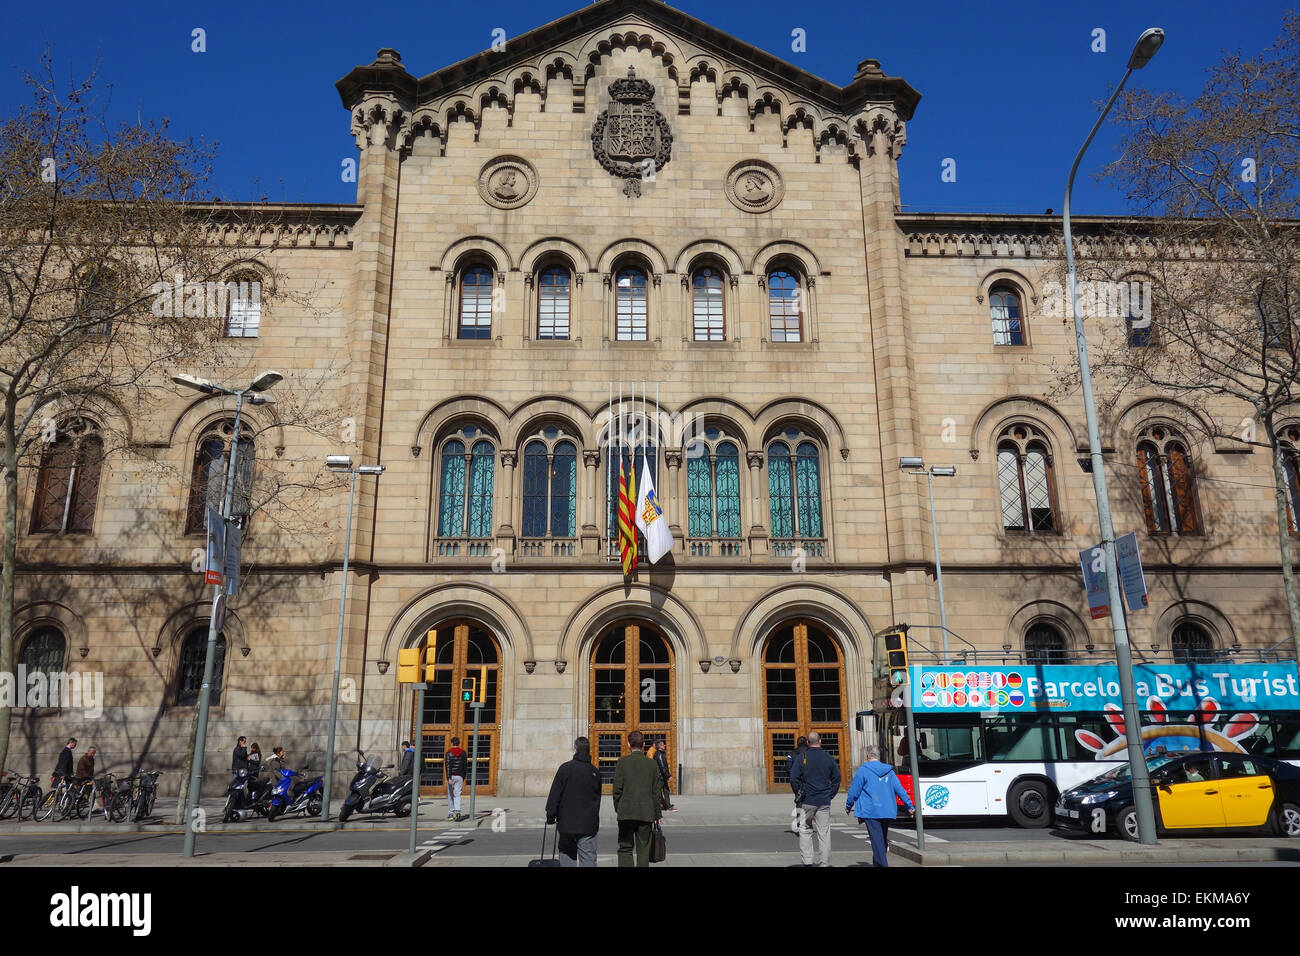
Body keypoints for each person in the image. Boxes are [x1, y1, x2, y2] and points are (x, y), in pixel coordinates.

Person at [845, 745, 915, 867]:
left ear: (868, 756)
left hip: (870, 810)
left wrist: (848, 805)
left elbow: (854, 791)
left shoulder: (863, 770)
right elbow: (900, 790)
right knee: (881, 839)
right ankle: (878, 862)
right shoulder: (889, 771)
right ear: (879, 756)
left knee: (877, 840)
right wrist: (909, 806)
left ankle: (882, 864)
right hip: (887, 810)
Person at [545, 736, 602, 867]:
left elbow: (555, 793)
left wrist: (550, 814)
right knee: (588, 857)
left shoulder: (565, 768)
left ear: (575, 750)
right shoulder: (595, 772)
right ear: (588, 751)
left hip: (566, 823)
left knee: (567, 855)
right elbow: (597, 798)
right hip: (588, 824)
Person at [789, 731, 840, 867]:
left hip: (807, 800)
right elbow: (837, 779)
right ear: (820, 741)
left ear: (807, 743)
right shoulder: (828, 758)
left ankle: (807, 861)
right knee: (824, 832)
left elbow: (793, 778)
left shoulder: (802, 757)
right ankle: (824, 863)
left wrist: (798, 793)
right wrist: (830, 794)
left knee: (805, 830)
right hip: (823, 800)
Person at [612, 730, 662, 867]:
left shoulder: (622, 762)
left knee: (625, 848)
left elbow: (617, 790)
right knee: (643, 850)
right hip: (646, 813)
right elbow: (656, 792)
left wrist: (619, 808)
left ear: (628, 744)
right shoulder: (652, 764)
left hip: (626, 812)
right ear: (644, 745)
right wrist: (657, 814)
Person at [445, 737, 467, 821]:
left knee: (451, 795)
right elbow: (465, 766)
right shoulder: (463, 753)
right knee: (457, 794)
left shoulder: (449, 753)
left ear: (452, 743)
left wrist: (448, 777)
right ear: (458, 743)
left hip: (451, 776)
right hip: (459, 776)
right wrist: (463, 776)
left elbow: (447, 766)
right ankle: (458, 811)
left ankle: (451, 814)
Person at [651, 739, 675, 811]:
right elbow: (662, 766)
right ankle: (654, 806)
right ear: (659, 746)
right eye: (662, 744)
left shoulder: (661, 753)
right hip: (660, 777)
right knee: (658, 792)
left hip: (663, 777)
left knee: (666, 791)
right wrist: (668, 775)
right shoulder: (658, 755)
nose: (664, 746)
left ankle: (668, 806)